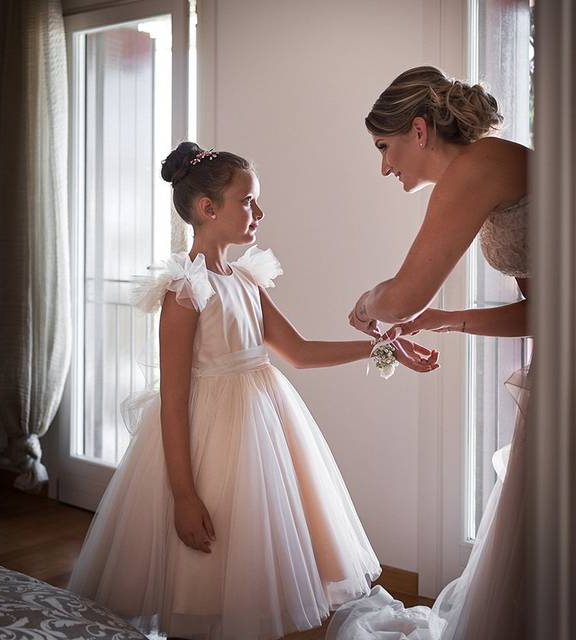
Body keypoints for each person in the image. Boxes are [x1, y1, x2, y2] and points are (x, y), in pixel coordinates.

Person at [68, 141, 439, 640]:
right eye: (248, 201)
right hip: (209, 442)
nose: (258, 212)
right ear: (208, 209)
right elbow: (173, 401)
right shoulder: (185, 292)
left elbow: (301, 352)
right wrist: (182, 494)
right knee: (203, 568)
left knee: (251, 557)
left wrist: (383, 347)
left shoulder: (244, 281)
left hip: (261, 430)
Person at [329, 66, 533, 640]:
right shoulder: (485, 170)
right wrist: (447, 320)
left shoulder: (478, 166)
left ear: (419, 131)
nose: (384, 166)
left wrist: (370, 303)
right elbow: (549, 310)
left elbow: (403, 294)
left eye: (384, 147)